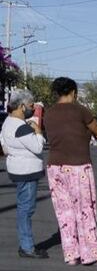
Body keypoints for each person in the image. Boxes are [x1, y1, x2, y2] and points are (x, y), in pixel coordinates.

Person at [43, 77, 97, 266]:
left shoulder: (48, 114)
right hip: (78, 166)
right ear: (74, 92)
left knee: (64, 213)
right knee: (85, 210)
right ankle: (91, 254)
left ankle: (71, 255)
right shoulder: (80, 110)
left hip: (55, 167)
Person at [0, 89, 48, 258]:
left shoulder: (8, 122)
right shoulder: (21, 127)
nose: (33, 108)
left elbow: (4, 147)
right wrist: (38, 131)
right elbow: (38, 147)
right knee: (26, 209)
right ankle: (27, 247)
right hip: (27, 171)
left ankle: (26, 245)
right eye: (30, 105)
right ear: (21, 106)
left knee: (23, 208)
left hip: (17, 168)